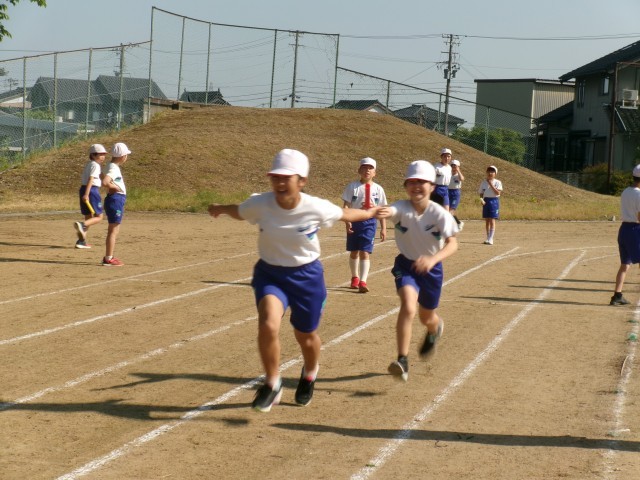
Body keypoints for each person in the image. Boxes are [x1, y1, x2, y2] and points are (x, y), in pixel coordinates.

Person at [208, 149, 381, 412]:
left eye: (286, 178)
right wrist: (220, 208)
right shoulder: (261, 204)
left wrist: (371, 213)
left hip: (307, 277)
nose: (279, 182)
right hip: (271, 274)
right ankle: (272, 383)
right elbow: (240, 211)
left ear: (302, 181)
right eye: (275, 177)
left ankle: (310, 373)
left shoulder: (315, 207)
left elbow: (347, 215)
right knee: (268, 324)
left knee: (305, 335)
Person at [377, 160, 458, 382]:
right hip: (406, 266)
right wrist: (379, 211)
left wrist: (433, 259)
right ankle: (402, 360)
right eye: (411, 182)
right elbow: (390, 210)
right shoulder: (401, 208)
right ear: (405, 186)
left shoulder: (439, 214)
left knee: (426, 317)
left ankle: (434, 329)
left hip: (432, 270)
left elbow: (452, 244)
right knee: (408, 306)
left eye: (422, 182)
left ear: (432, 186)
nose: (416, 186)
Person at [341, 157, 387, 293]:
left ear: (375, 173)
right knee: (354, 251)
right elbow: (346, 206)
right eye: (364, 168)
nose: (367, 170)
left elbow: (381, 210)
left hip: (370, 223)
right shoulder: (352, 187)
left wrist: (383, 228)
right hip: (354, 220)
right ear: (359, 170)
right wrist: (347, 221)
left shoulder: (378, 189)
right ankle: (355, 277)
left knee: (365, 252)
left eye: (370, 168)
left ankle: (363, 281)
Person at [610, 164, 640, 306]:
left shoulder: (625, 191)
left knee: (624, 265)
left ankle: (617, 295)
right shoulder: (639, 194)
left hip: (624, 229)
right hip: (635, 230)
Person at [101, 142, 131, 266]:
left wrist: (113, 186)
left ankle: (109, 256)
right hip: (115, 199)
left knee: (114, 229)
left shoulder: (110, 166)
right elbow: (105, 182)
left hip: (115, 199)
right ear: (122, 156)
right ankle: (109, 258)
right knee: (113, 230)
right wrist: (115, 187)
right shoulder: (113, 168)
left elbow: (101, 175)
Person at [74, 144, 107, 249]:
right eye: (100, 154)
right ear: (93, 155)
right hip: (92, 190)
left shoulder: (89, 164)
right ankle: (82, 225)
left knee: (88, 216)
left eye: (104, 154)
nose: (103, 157)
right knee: (99, 217)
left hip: (84, 189)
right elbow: (91, 179)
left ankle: (81, 241)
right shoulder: (95, 165)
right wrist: (87, 194)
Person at [478, 165, 503, 245]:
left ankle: (491, 238)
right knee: (487, 220)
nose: (490, 173)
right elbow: (481, 193)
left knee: (492, 220)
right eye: (489, 171)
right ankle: (488, 237)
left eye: (492, 172)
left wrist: (491, 184)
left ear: (495, 174)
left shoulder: (498, 182)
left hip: (494, 201)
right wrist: (481, 199)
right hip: (486, 201)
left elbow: (498, 193)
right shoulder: (483, 182)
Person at [448, 159, 464, 230]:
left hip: (455, 193)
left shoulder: (458, 175)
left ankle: (453, 225)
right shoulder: (448, 174)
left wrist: (458, 171)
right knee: (447, 211)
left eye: (455, 166)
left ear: (458, 167)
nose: (453, 167)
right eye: (452, 166)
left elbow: (462, 179)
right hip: (448, 192)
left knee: (451, 211)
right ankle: (458, 223)